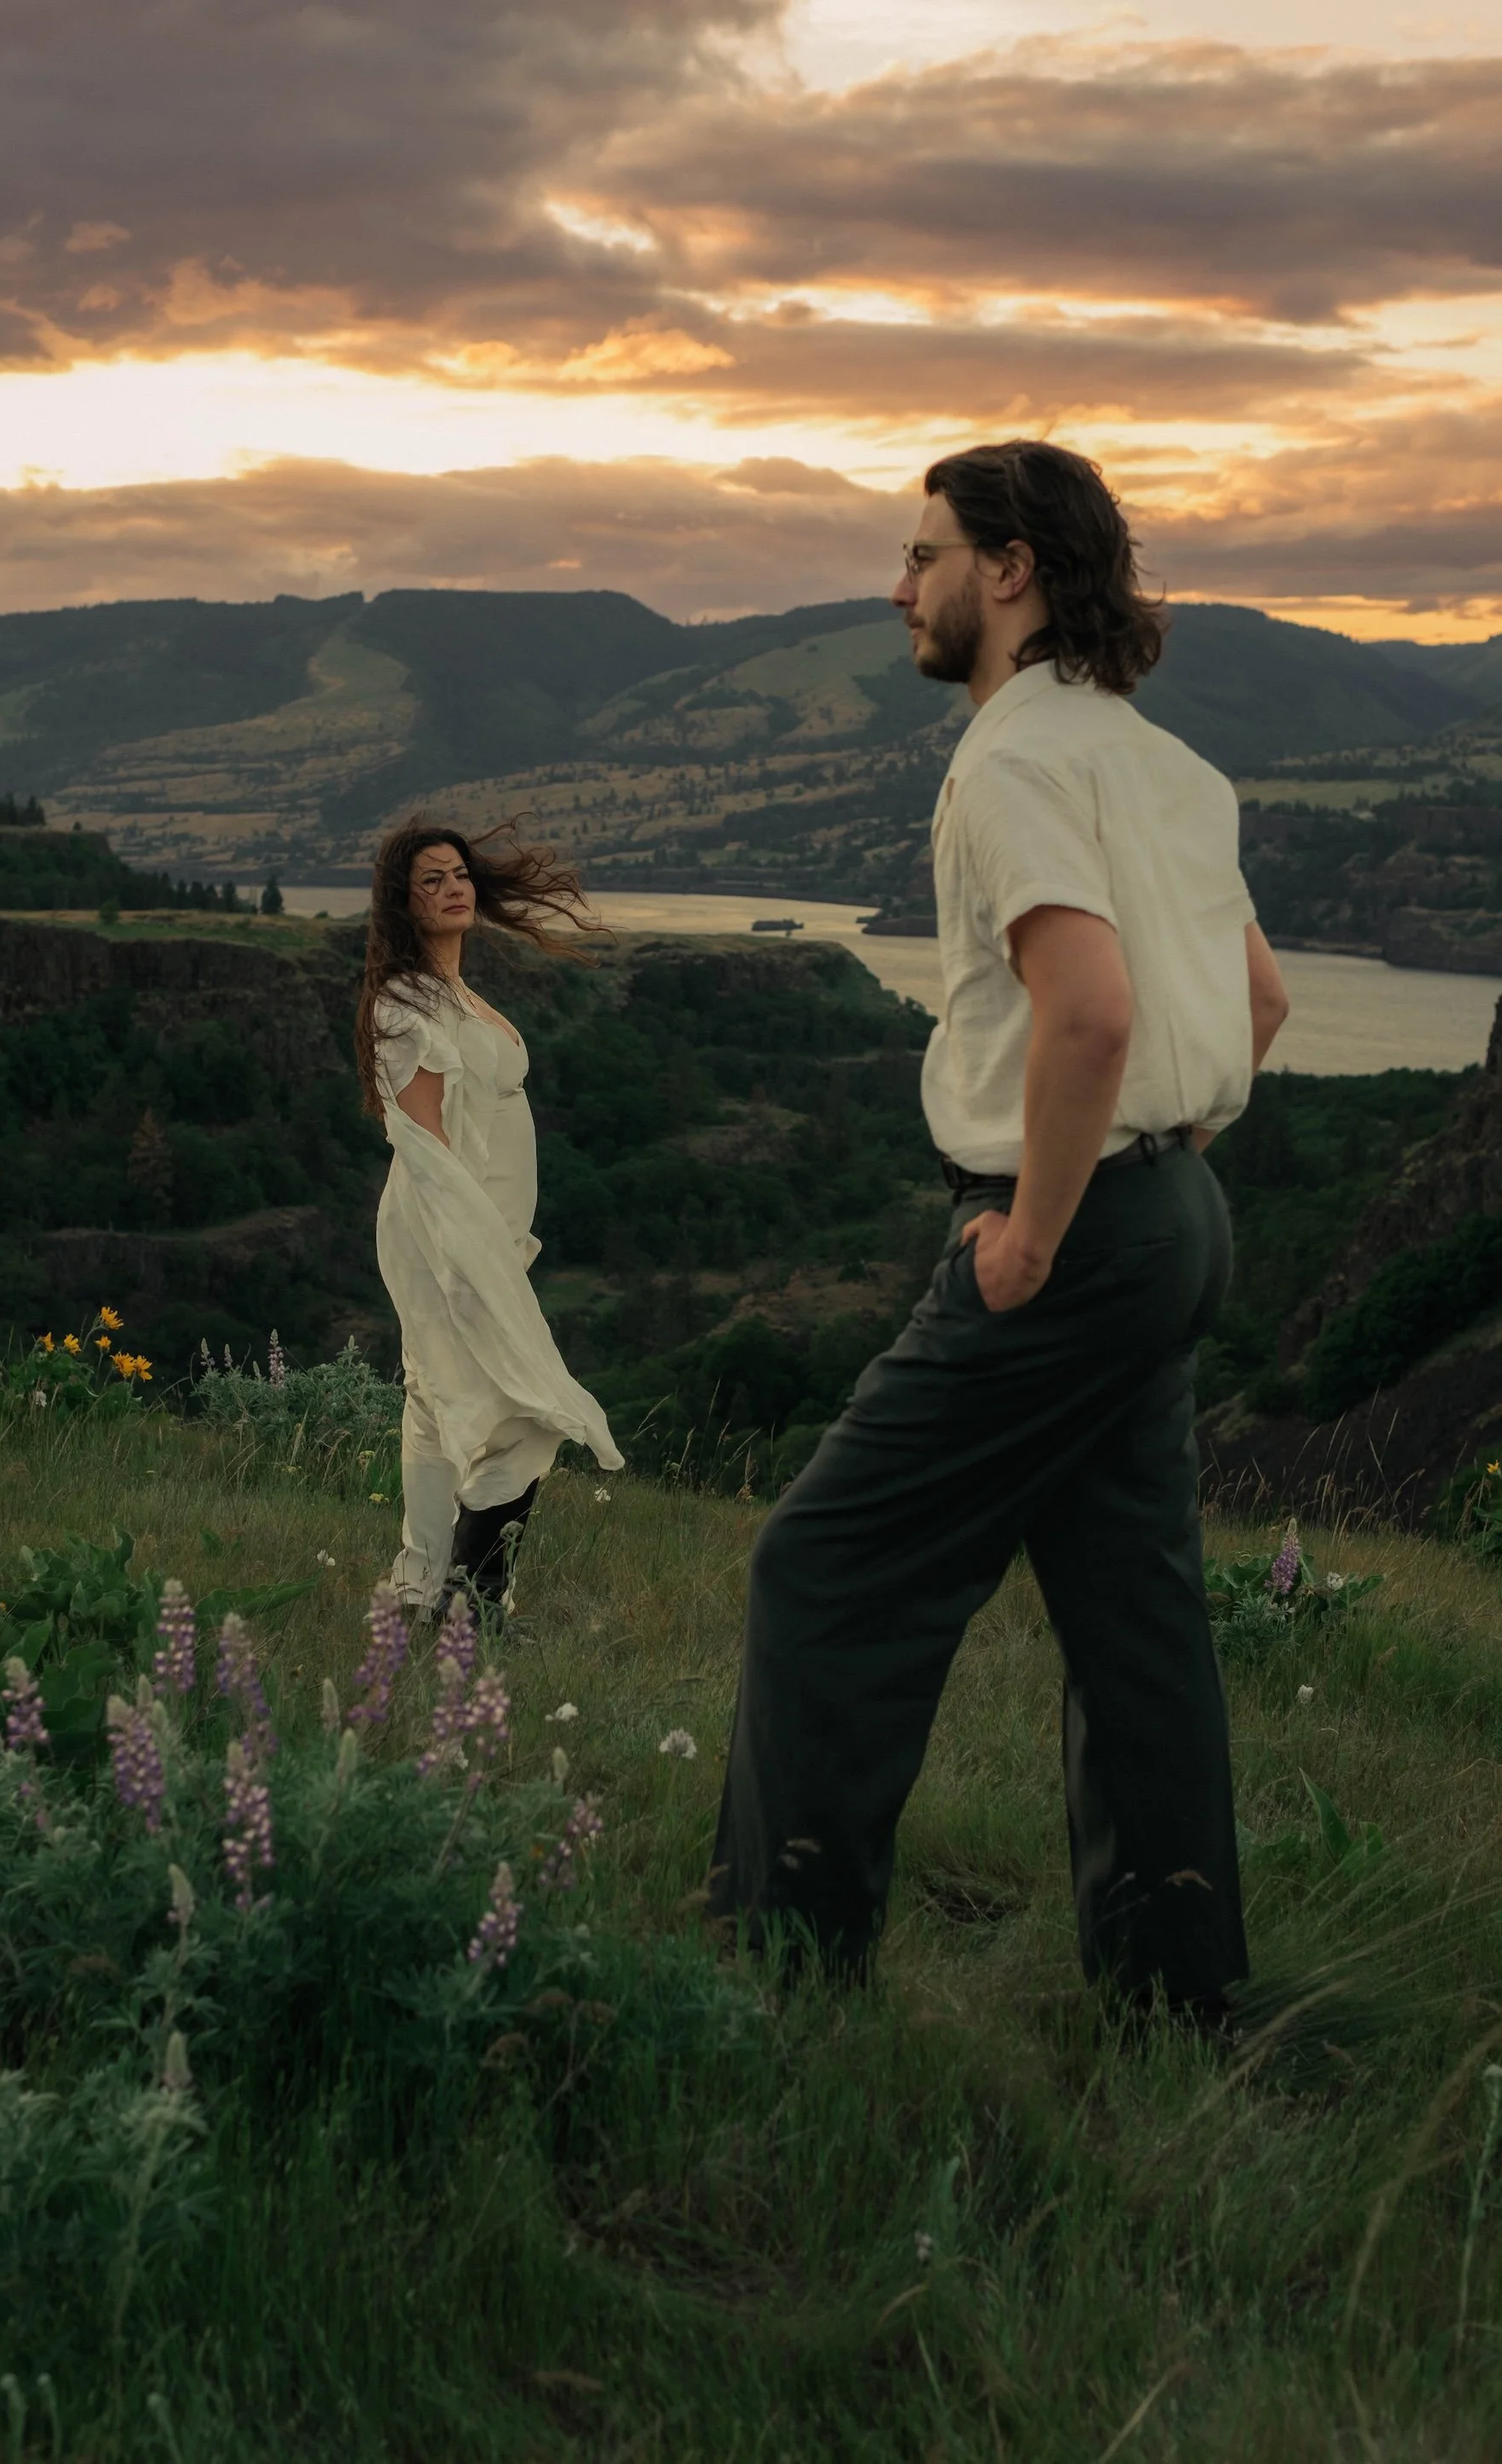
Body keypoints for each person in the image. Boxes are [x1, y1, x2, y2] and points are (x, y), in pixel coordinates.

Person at [707, 439, 1291, 2019]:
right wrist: (1174, 1146)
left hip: (1077, 1232)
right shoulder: (1170, 767)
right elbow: (1259, 999)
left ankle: (781, 1973)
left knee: (821, 1568)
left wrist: (1033, 1237)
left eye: (922, 556)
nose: (898, 586)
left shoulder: (1013, 762)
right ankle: (1175, 1996)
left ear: (1009, 567)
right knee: (1135, 1614)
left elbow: (1087, 1016)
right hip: (1175, 1211)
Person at [354, 818, 623, 1614]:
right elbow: (428, 1148)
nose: (455, 888)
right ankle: (473, 1606)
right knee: (524, 1411)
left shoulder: (455, 992)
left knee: (436, 1408)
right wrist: (473, 1259)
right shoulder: (405, 1005)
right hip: (445, 1235)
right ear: (402, 904)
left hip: (485, 1235)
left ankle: (421, 1590)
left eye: (459, 873)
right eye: (431, 880)